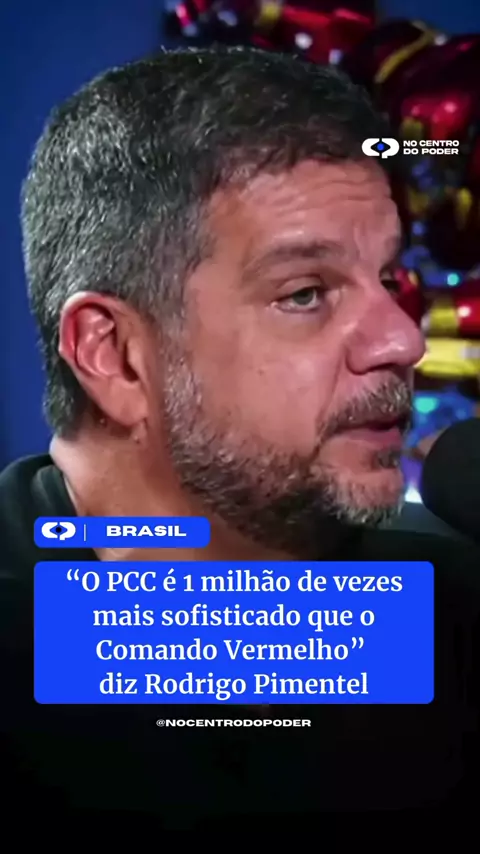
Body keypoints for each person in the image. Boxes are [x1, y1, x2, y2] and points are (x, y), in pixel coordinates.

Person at [1, 47, 479, 832]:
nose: (402, 340)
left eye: (390, 280)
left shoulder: (452, 603)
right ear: (114, 355)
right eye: (306, 293)